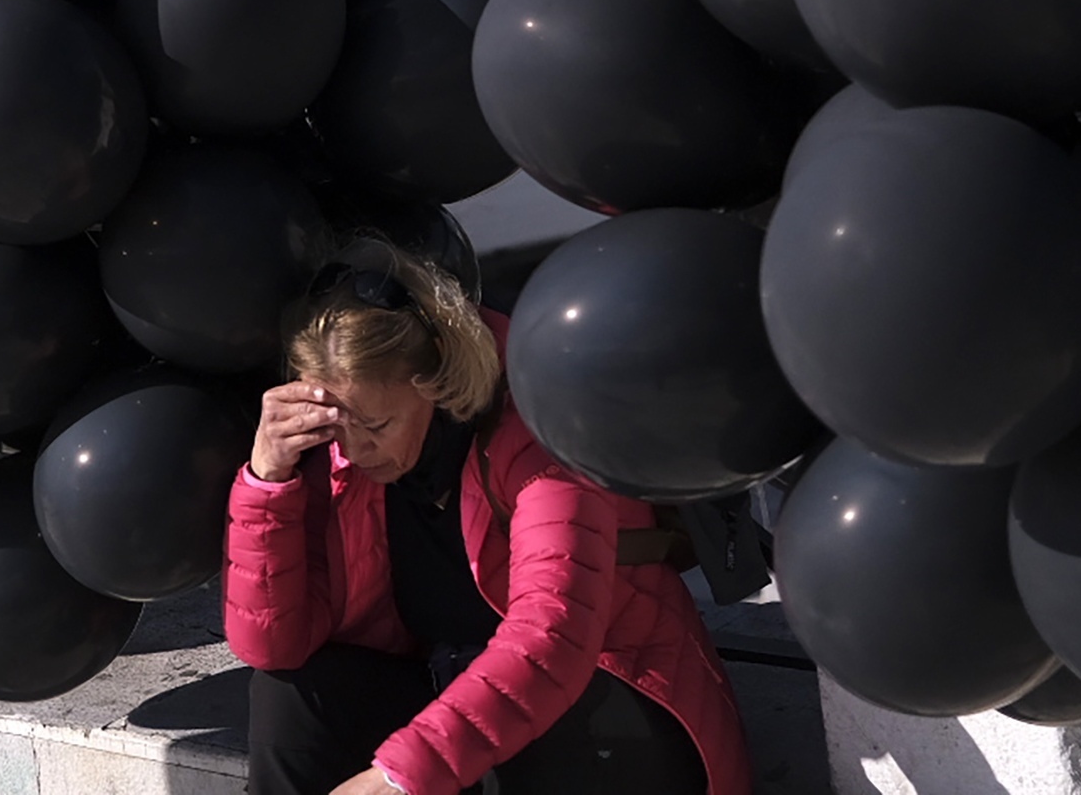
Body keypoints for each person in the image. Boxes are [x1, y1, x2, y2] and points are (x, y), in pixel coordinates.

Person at [225, 240, 748, 795]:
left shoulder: (540, 425)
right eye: (336, 427)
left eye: (375, 426)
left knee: (538, 725)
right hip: (455, 693)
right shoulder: (338, 449)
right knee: (292, 692)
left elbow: (551, 639)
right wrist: (267, 481)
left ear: (433, 383)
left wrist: (399, 777)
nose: (352, 450)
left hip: (603, 700)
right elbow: (270, 646)